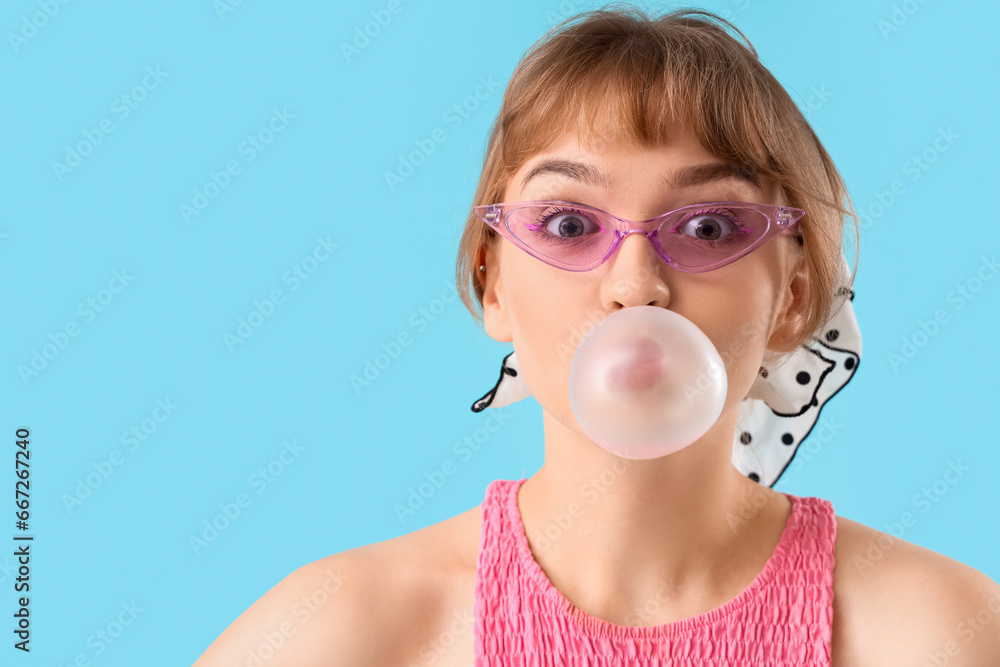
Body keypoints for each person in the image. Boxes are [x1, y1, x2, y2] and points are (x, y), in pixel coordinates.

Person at [193, 5, 1000, 666]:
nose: (635, 284)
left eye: (711, 225)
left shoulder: (938, 634)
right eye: (570, 222)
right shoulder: (343, 635)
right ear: (492, 281)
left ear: (793, 297)